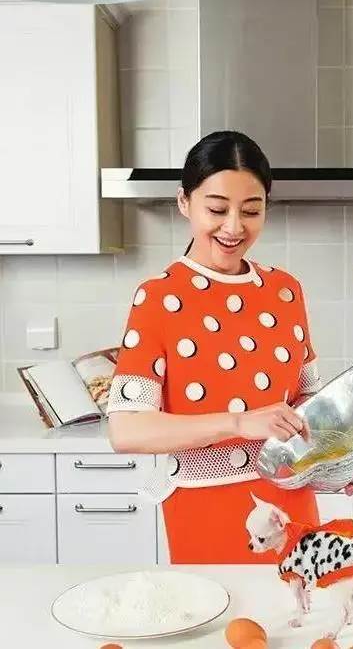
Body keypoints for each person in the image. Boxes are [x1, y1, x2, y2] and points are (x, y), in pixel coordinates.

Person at [107, 130, 327, 563]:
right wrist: (239, 423)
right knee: (219, 607)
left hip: (292, 503)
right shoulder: (159, 297)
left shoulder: (286, 291)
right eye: (217, 209)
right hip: (203, 507)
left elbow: (309, 404)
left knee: (301, 602)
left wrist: (340, 460)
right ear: (184, 202)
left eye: (251, 210)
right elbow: (126, 430)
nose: (234, 227)